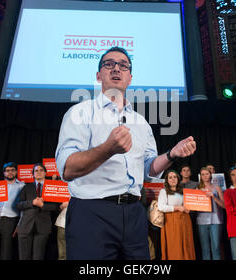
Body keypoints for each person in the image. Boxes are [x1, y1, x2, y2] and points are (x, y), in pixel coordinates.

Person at [55, 46, 197, 260]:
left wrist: (171, 155)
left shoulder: (140, 122)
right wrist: (107, 149)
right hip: (92, 213)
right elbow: (67, 169)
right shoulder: (79, 113)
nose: (116, 69)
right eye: (109, 64)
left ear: (130, 77)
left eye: (123, 66)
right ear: (98, 75)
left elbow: (149, 168)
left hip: (134, 214)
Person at [16, 163, 59, 260]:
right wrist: (32, 202)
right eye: (36, 170)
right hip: (26, 226)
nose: (38, 172)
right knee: (24, 257)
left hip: (43, 227)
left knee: (38, 257)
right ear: (33, 174)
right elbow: (18, 204)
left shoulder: (51, 187)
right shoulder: (26, 187)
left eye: (41, 170)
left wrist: (43, 206)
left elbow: (56, 206)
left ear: (45, 173)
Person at [0, 162, 24, 260]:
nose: (10, 172)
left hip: (10, 221)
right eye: (7, 171)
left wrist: (19, 224)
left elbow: (23, 207)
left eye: (12, 170)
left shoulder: (22, 186)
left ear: (16, 172)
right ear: (4, 173)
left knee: (6, 251)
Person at [158, 170, 195, 260]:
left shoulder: (182, 191)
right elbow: (161, 207)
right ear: (167, 180)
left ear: (178, 179)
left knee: (186, 245)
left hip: (185, 221)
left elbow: (187, 205)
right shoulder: (164, 191)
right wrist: (177, 207)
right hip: (171, 222)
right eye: (170, 177)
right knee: (175, 245)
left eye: (175, 177)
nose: (173, 179)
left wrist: (187, 208)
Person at [196, 166, 225, 260]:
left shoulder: (217, 188)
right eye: (203, 174)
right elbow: (193, 205)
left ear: (210, 174)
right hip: (202, 221)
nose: (205, 176)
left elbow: (224, 205)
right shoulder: (197, 189)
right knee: (205, 250)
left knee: (216, 249)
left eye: (207, 174)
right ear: (200, 176)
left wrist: (214, 197)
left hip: (216, 221)